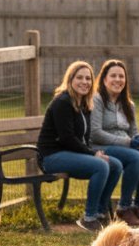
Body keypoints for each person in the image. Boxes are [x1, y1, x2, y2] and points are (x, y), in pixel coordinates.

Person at [37, 61, 122, 233]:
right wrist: (93, 154)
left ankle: (100, 212)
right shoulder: (62, 102)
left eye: (88, 78)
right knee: (100, 164)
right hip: (52, 157)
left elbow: (82, 138)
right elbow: (67, 138)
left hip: (70, 154)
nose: (84, 82)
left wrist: (94, 152)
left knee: (115, 165)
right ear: (70, 79)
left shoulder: (84, 103)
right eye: (79, 78)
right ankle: (88, 218)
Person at [89, 59, 139, 226]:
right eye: (113, 76)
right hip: (100, 146)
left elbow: (133, 132)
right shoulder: (97, 100)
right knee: (136, 158)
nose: (118, 80)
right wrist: (127, 142)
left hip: (126, 145)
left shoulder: (128, 104)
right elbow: (95, 133)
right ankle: (124, 207)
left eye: (121, 76)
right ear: (104, 79)